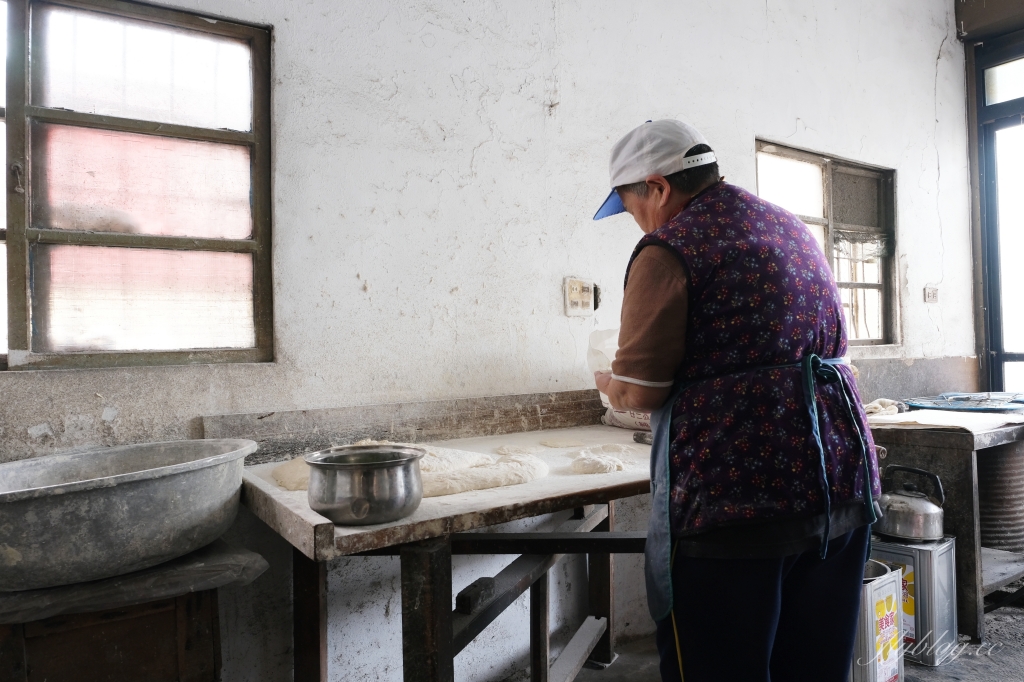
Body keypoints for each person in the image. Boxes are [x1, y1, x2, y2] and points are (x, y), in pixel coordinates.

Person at [592, 120, 882, 682]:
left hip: (737, 504)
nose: (637, 221)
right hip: (840, 483)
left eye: (631, 206)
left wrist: (609, 382)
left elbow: (641, 391)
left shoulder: (670, 248)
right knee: (814, 669)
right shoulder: (785, 224)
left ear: (658, 188)